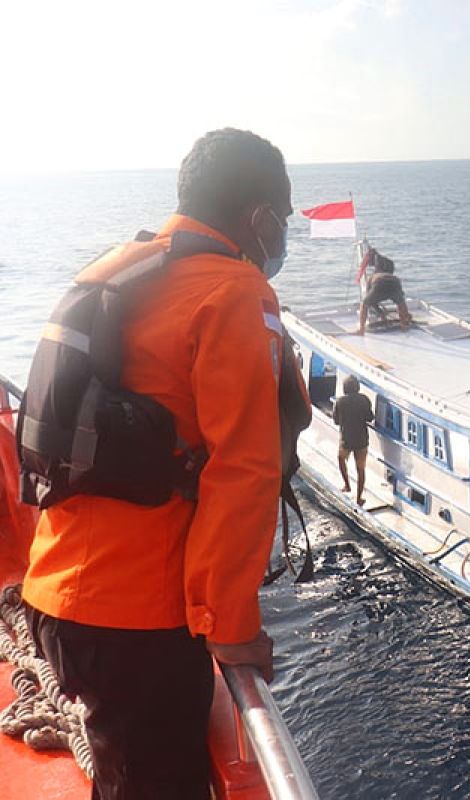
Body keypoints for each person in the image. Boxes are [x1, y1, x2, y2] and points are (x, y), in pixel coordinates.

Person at [21, 128, 299, 799]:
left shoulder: (120, 266)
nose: (282, 234)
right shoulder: (233, 292)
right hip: (138, 620)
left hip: (59, 594)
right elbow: (243, 469)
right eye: (283, 219)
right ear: (258, 217)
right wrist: (232, 631)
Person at [334, 374, 374, 506]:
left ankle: (347, 485)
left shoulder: (340, 401)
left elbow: (335, 421)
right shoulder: (364, 400)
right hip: (362, 439)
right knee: (361, 469)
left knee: (341, 459)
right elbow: (370, 418)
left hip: (346, 438)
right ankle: (359, 498)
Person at [357, 250, 412, 334]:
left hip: (379, 283)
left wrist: (380, 312)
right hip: (395, 283)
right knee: (401, 304)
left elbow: (370, 302)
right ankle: (404, 325)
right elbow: (401, 299)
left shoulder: (373, 276)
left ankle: (361, 330)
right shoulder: (392, 276)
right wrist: (406, 314)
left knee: (364, 304)